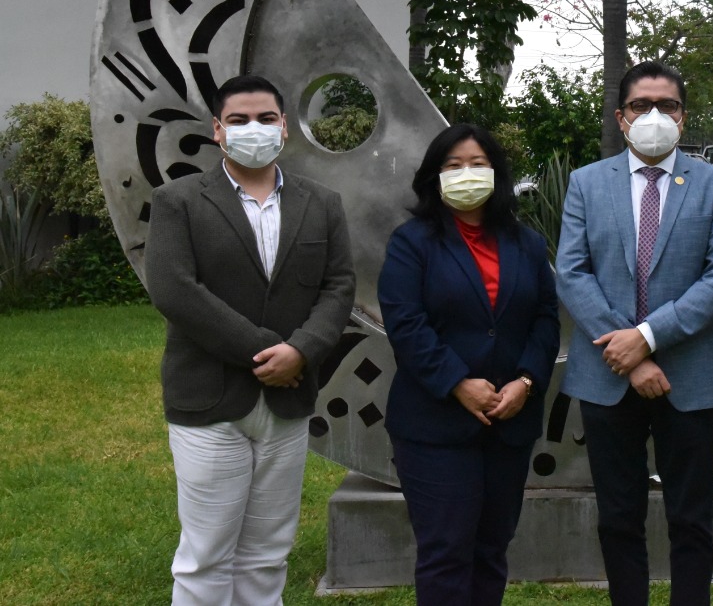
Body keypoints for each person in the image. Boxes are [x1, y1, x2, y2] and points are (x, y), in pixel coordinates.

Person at [146, 74, 355, 605]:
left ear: (285, 126)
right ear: (218, 131)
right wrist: (267, 350)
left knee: (267, 553)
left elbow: (338, 287)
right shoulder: (178, 201)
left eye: (265, 118)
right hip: (210, 399)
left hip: (288, 399)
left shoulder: (322, 202)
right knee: (207, 556)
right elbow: (175, 290)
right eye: (238, 120)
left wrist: (302, 350)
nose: (253, 129)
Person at [557, 60, 713, 606]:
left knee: (692, 521)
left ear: (683, 118)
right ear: (621, 117)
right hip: (607, 375)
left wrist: (649, 338)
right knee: (618, 518)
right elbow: (572, 271)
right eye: (641, 105)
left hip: (690, 376)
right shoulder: (587, 183)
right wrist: (630, 354)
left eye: (668, 105)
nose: (654, 115)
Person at [378, 123, 560, 606]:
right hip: (436, 424)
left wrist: (526, 380)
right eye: (453, 165)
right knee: (445, 553)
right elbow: (406, 324)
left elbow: (545, 318)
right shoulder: (412, 242)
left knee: (491, 549)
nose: (466, 174)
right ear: (434, 177)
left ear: (497, 174)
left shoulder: (526, 244)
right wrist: (458, 382)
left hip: (510, 421)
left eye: (477, 164)